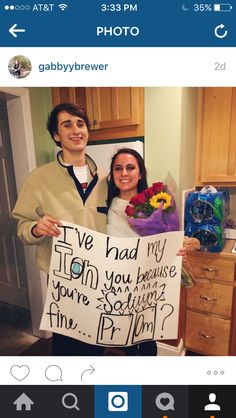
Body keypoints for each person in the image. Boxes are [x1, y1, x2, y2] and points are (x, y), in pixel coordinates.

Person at [12, 102, 108, 356]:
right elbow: (22, 227)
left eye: (80, 124)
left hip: (102, 277)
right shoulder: (39, 179)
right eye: (67, 125)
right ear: (56, 135)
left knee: (96, 344)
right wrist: (35, 228)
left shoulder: (106, 178)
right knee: (68, 348)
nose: (76, 130)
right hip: (63, 280)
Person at [107, 148, 187, 356]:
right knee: (126, 341)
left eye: (130, 167)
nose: (124, 173)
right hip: (118, 285)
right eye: (118, 168)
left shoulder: (155, 205)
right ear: (112, 174)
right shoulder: (104, 206)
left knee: (146, 339)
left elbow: (167, 240)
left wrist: (175, 250)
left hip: (147, 285)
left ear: (140, 173)